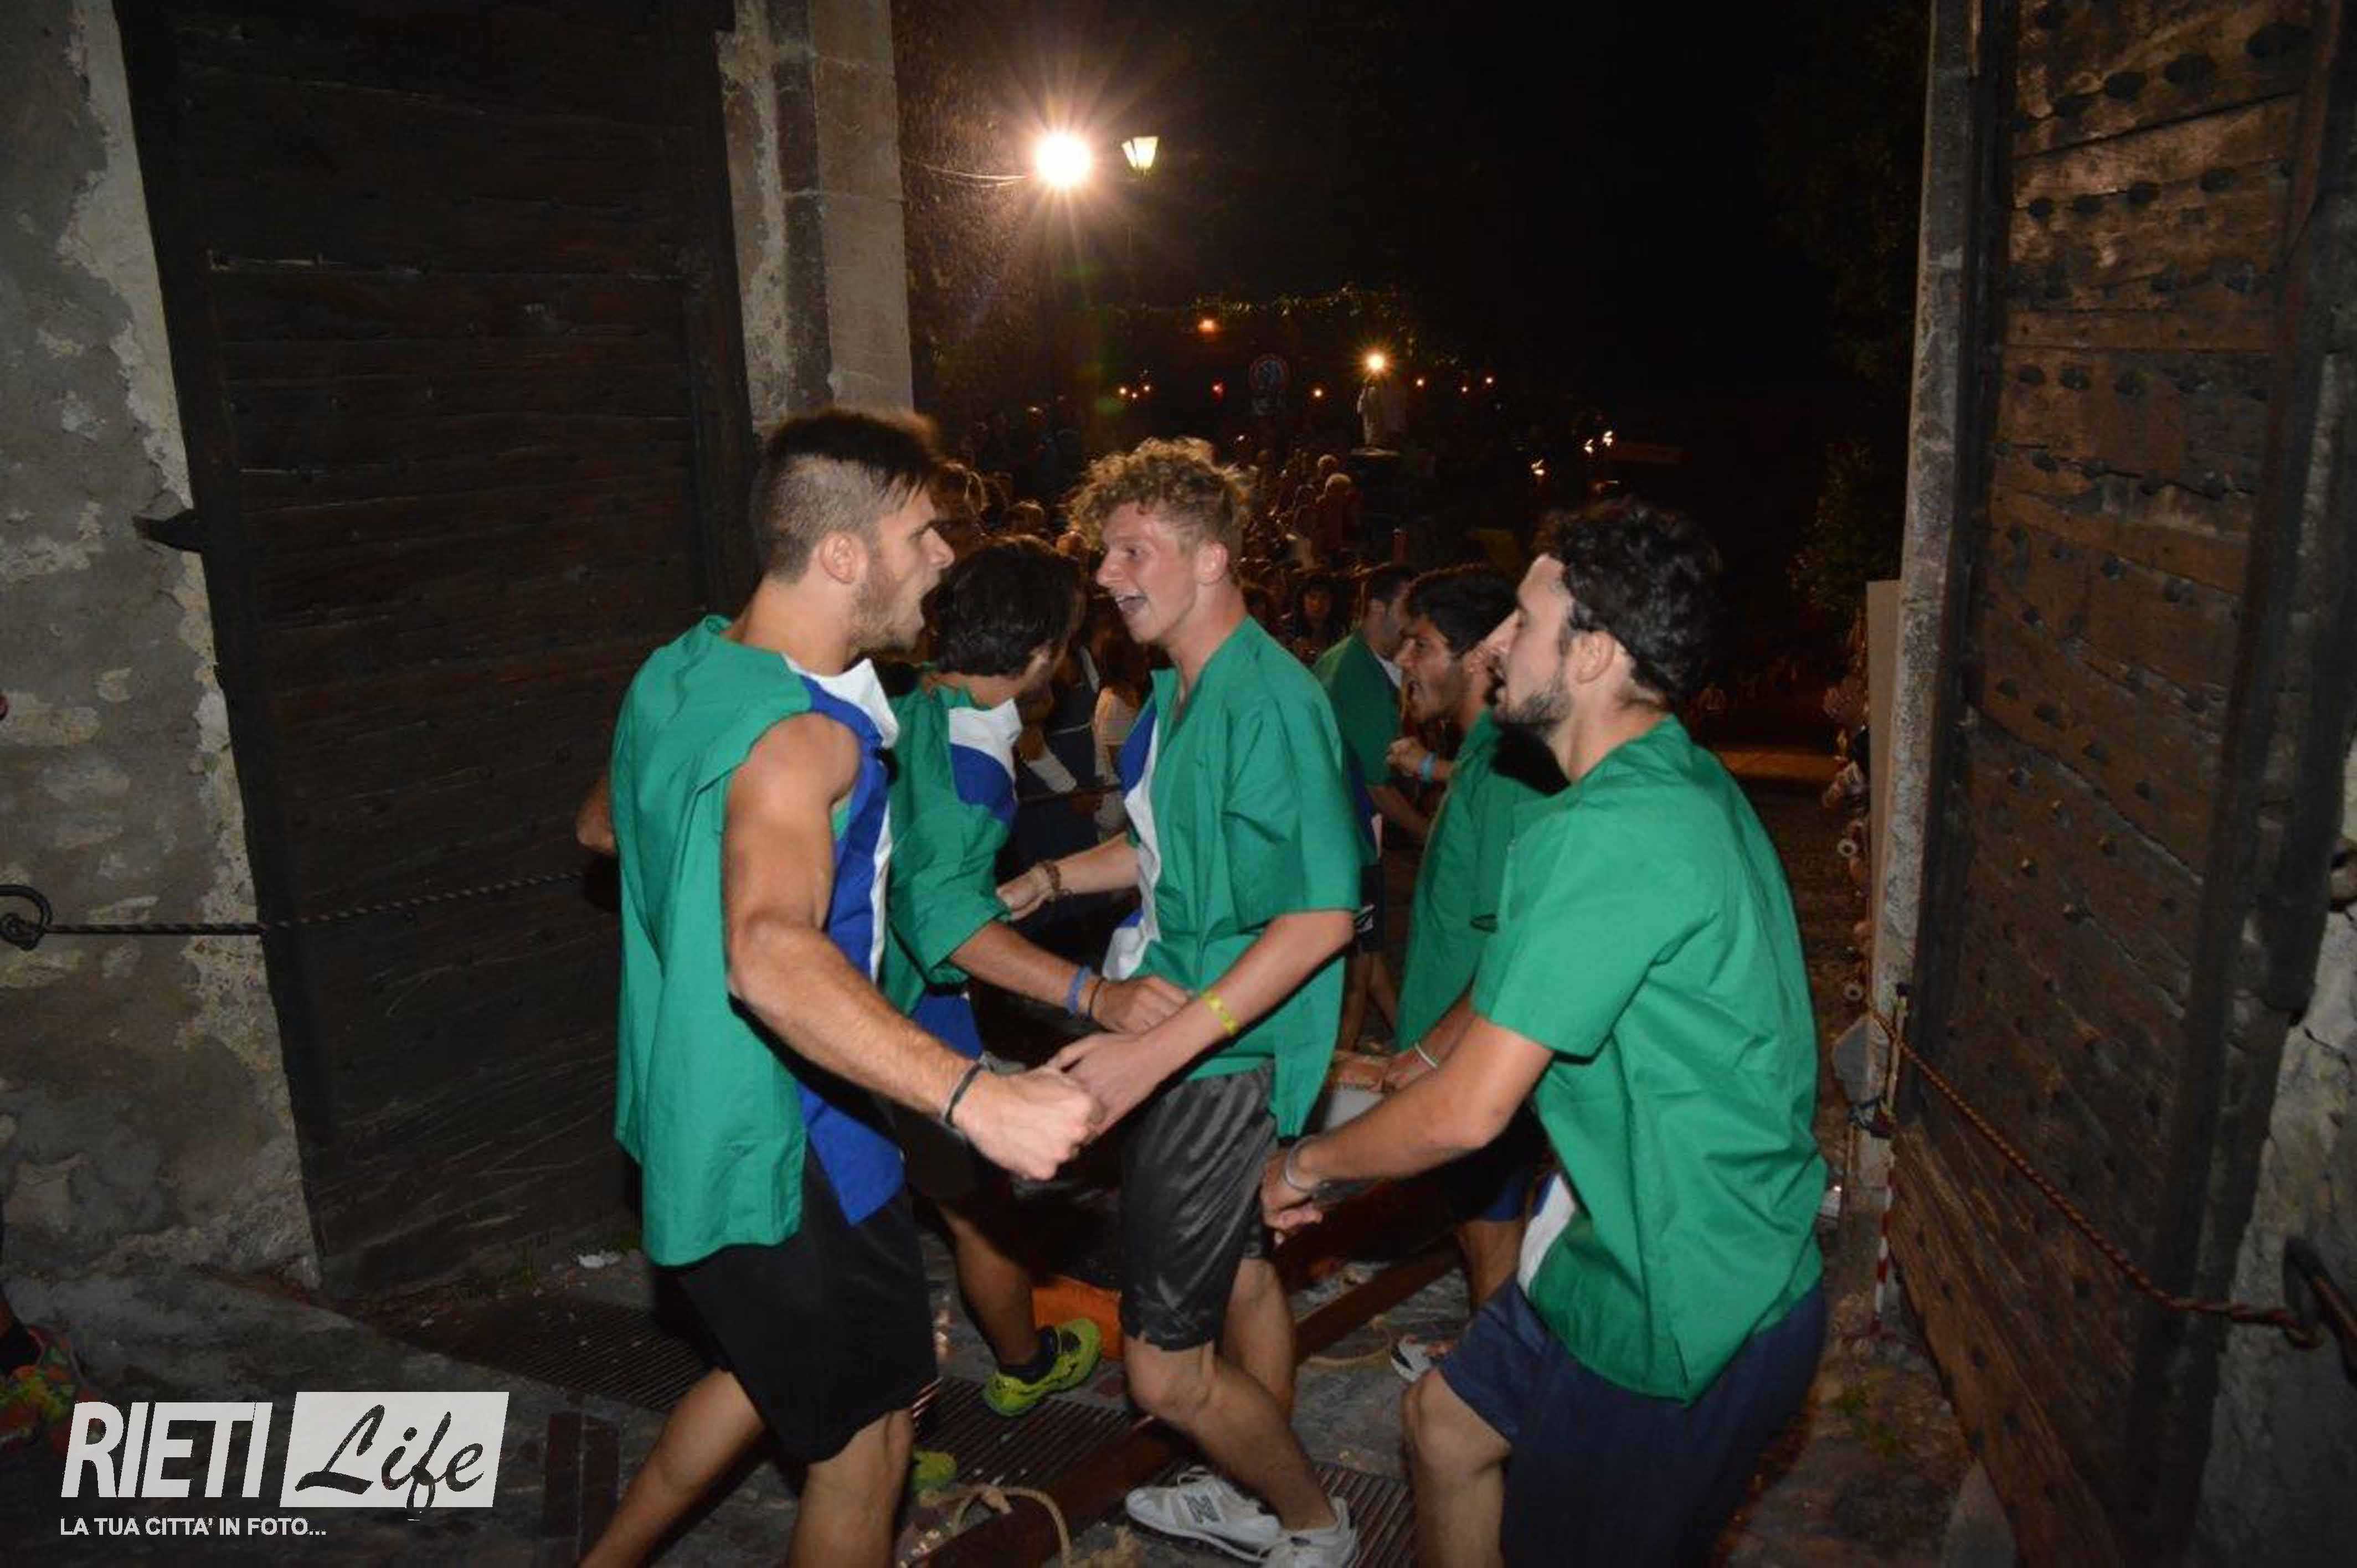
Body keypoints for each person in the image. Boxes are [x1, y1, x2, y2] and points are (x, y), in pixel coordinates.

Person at [1261, 497, 1828, 1567]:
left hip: (1685, 1298)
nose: (1495, 647)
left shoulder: (1610, 829)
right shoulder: (1664, 773)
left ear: (1595, 654)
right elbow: (1529, 984)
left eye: (1522, 623)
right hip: (1614, 1247)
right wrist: (1414, 1059)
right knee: (1443, 1426)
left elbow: (1470, 1115)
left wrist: (1305, 1168)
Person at [578, 410, 1097, 1568]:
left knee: (762, 1378)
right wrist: (976, 1096)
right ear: (844, 553)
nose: (944, 559)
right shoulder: (809, 741)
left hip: (689, 1118)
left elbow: (603, 825)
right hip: (796, 1143)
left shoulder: (684, 667)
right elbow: (767, 951)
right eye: (922, 535)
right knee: (871, 1447)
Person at [1000, 439, 1363, 1567]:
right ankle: (1249, 1484)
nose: (1108, 576)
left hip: (1218, 1062)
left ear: (1211, 559)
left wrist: (1150, 1058)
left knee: (1161, 1372)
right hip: (1194, 1043)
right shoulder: (1187, 689)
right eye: (1106, 553)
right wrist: (1052, 878)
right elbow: (1170, 857)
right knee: (1243, 1272)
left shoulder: (1268, 702)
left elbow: (1320, 918)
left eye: (1132, 551)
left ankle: (1312, 1524)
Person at [879, 540, 1182, 1417]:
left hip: (868, 994)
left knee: (895, 1212)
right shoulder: (973, 766)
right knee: (977, 1210)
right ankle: (1017, 1368)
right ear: (1045, 654)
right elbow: (947, 925)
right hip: (910, 1015)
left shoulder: (910, 694)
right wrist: (1094, 995)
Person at [1378, 566, 1558, 1368]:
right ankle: (1485, 1356)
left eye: (1421, 644)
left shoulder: (1506, 770)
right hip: (1455, 1058)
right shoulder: (1484, 759)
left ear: (1480, 656)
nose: (1404, 660)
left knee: (1493, 1234)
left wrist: (1428, 1055)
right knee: (1480, 1225)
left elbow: (1508, 949)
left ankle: (1491, 1393)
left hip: (1473, 1062)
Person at [1312, 565, 1423, 1051]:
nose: (1415, 621)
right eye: (1406, 608)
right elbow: (1379, 787)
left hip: (1332, 839)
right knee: (1356, 976)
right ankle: (1334, 1074)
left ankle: (1408, 1043)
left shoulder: (1342, 658)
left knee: (1366, 954)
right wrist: (1431, 833)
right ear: (1377, 608)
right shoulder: (1359, 676)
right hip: (1351, 843)